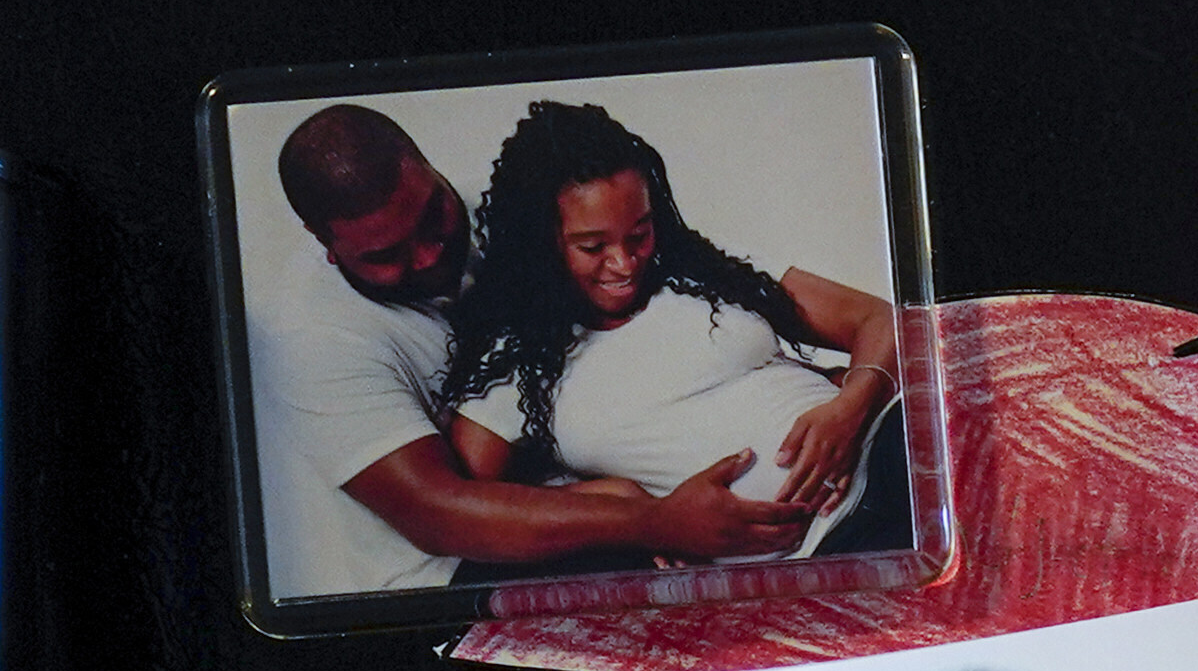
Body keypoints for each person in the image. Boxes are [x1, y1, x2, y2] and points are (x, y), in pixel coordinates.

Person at [245, 101, 808, 600]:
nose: (426, 256)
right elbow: (440, 515)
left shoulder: (500, 210)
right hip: (452, 571)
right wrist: (649, 519)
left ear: (426, 167)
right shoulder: (311, 338)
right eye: (387, 254)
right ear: (324, 241)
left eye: (431, 218)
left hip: (592, 492)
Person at [441, 100, 903, 565]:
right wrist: (624, 505)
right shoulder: (514, 361)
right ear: (540, 243)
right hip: (826, 553)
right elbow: (473, 513)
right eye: (593, 246)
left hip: (886, 452)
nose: (623, 263)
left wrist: (851, 407)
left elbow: (879, 319)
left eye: (639, 234)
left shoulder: (708, 270)